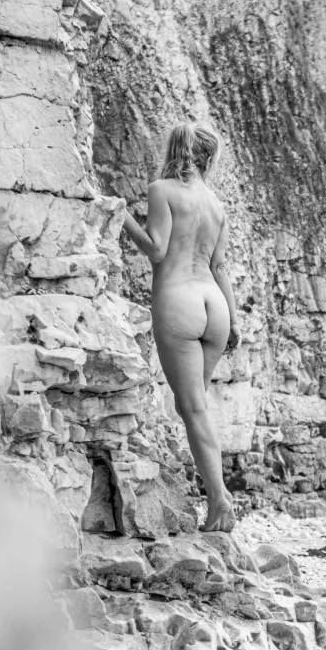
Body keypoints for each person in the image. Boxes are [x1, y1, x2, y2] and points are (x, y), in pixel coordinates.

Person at [121, 122, 240, 532]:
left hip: (180, 302)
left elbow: (157, 249)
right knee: (196, 406)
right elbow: (219, 266)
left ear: (173, 148)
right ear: (208, 157)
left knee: (192, 408)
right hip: (215, 305)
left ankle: (220, 501)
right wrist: (234, 320)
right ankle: (215, 496)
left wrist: (119, 214)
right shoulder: (216, 205)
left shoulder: (162, 190)